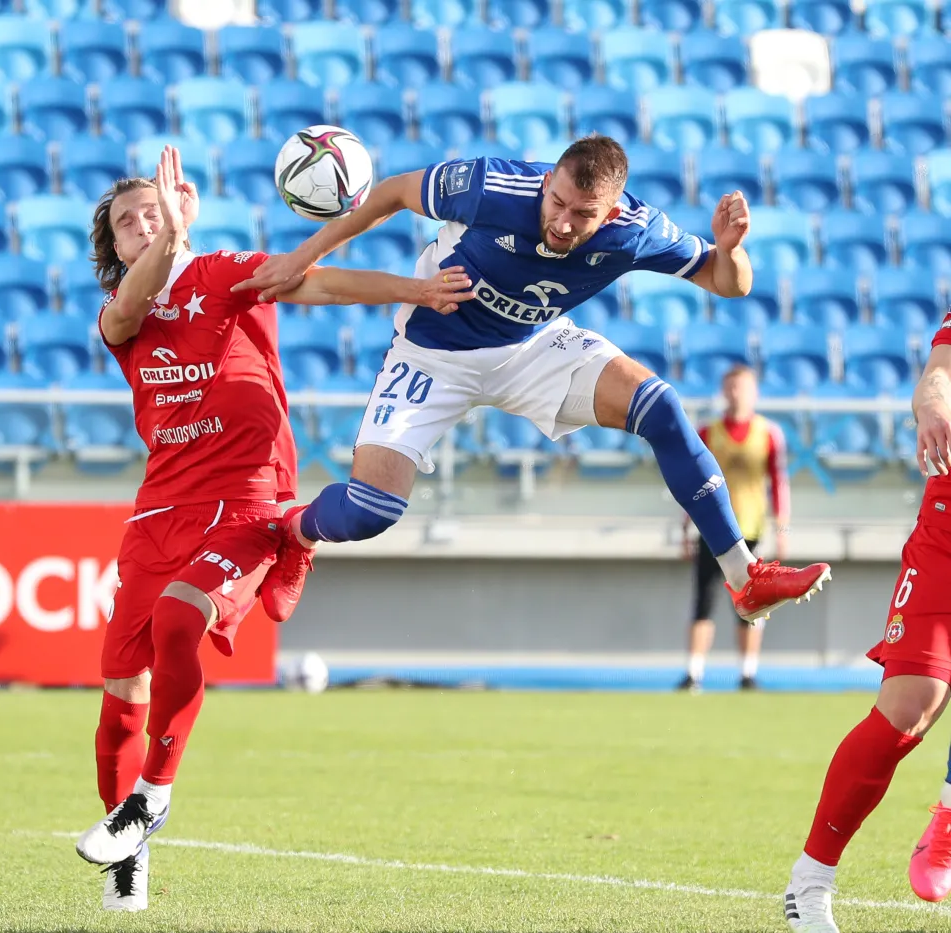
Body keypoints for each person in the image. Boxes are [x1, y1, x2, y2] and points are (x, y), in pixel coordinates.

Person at [75, 146, 475, 912]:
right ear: (116, 249)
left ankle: (152, 796)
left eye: (152, 210)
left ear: (181, 212)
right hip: (159, 510)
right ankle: (130, 846)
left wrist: (418, 289)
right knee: (120, 690)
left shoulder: (226, 271)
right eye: (128, 223)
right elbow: (131, 303)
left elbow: (320, 284)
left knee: (178, 618)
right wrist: (168, 235)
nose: (143, 224)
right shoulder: (119, 314)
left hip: (246, 497)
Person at [235, 134, 832, 628]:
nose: (564, 224)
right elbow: (391, 192)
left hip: (532, 346)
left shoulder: (639, 230)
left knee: (662, 407)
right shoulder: (493, 186)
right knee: (370, 511)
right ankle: (295, 531)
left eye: (583, 215)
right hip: (433, 351)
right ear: (548, 183)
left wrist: (732, 252)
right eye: (558, 203)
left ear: (613, 212)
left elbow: (729, 284)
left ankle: (743, 576)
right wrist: (301, 258)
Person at [783, 313, 951, 932]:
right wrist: (933, 405)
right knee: (910, 706)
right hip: (948, 534)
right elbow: (938, 376)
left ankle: (948, 821)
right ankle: (810, 883)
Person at [678, 363, 791, 692]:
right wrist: (685, 527)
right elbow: (689, 483)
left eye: (741, 386)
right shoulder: (707, 432)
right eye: (729, 386)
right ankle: (694, 673)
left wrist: (782, 530)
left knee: (749, 605)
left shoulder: (768, 433)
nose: (734, 393)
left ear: (754, 392)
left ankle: (747, 673)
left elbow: (778, 484)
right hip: (709, 529)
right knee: (703, 601)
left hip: (749, 529)